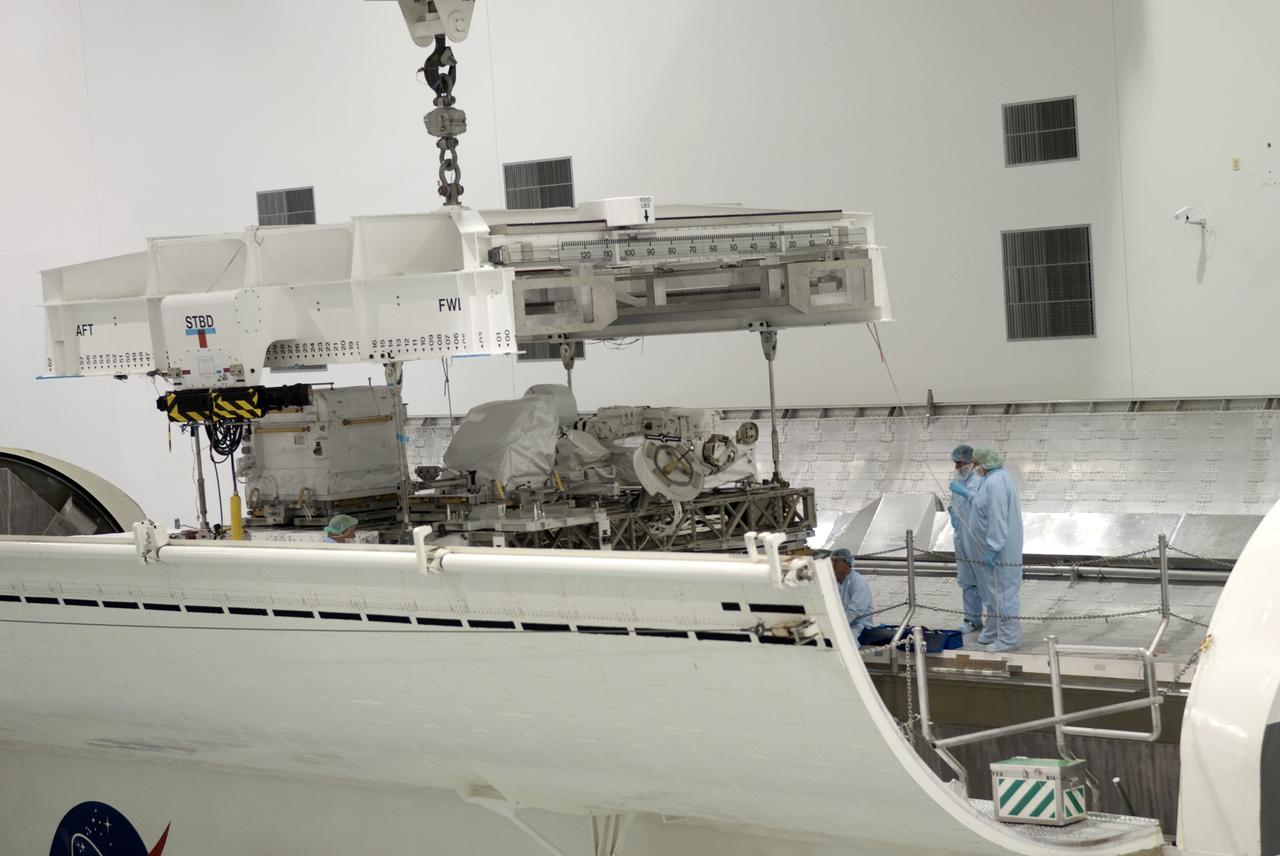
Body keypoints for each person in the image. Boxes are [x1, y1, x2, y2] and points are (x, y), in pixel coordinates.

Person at [970, 448, 1023, 653]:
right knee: (993, 592)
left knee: (1004, 593)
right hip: (994, 548)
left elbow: (997, 516)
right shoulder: (993, 478)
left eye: (975, 464)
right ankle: (994, 631)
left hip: (1000, 549)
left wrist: (993, 546)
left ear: (984, 463)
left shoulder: (995, 481)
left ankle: (1009, 639)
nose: (974, 468)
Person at [946, 444, 984, 635]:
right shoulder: (958, 482)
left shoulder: (979, 481)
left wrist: (965, 494)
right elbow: (955, 505)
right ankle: (972, 619)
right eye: (955, 463)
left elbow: (982, 504)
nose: (956, 467)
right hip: (961, 538)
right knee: (967, 581)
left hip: (978, 539)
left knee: (985, 582)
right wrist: (952, 512)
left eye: (959, 463)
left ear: (970, 462)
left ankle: (995, 623)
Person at [830, 548, 874, 646]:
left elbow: (855, 611)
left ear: (847, 563)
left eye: (836, 561)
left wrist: (836, 624)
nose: (832, 564)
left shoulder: (858, 581)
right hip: (841, 623)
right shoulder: (832, 582)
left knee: (847, 642)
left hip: (859, 625)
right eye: (831, 560)